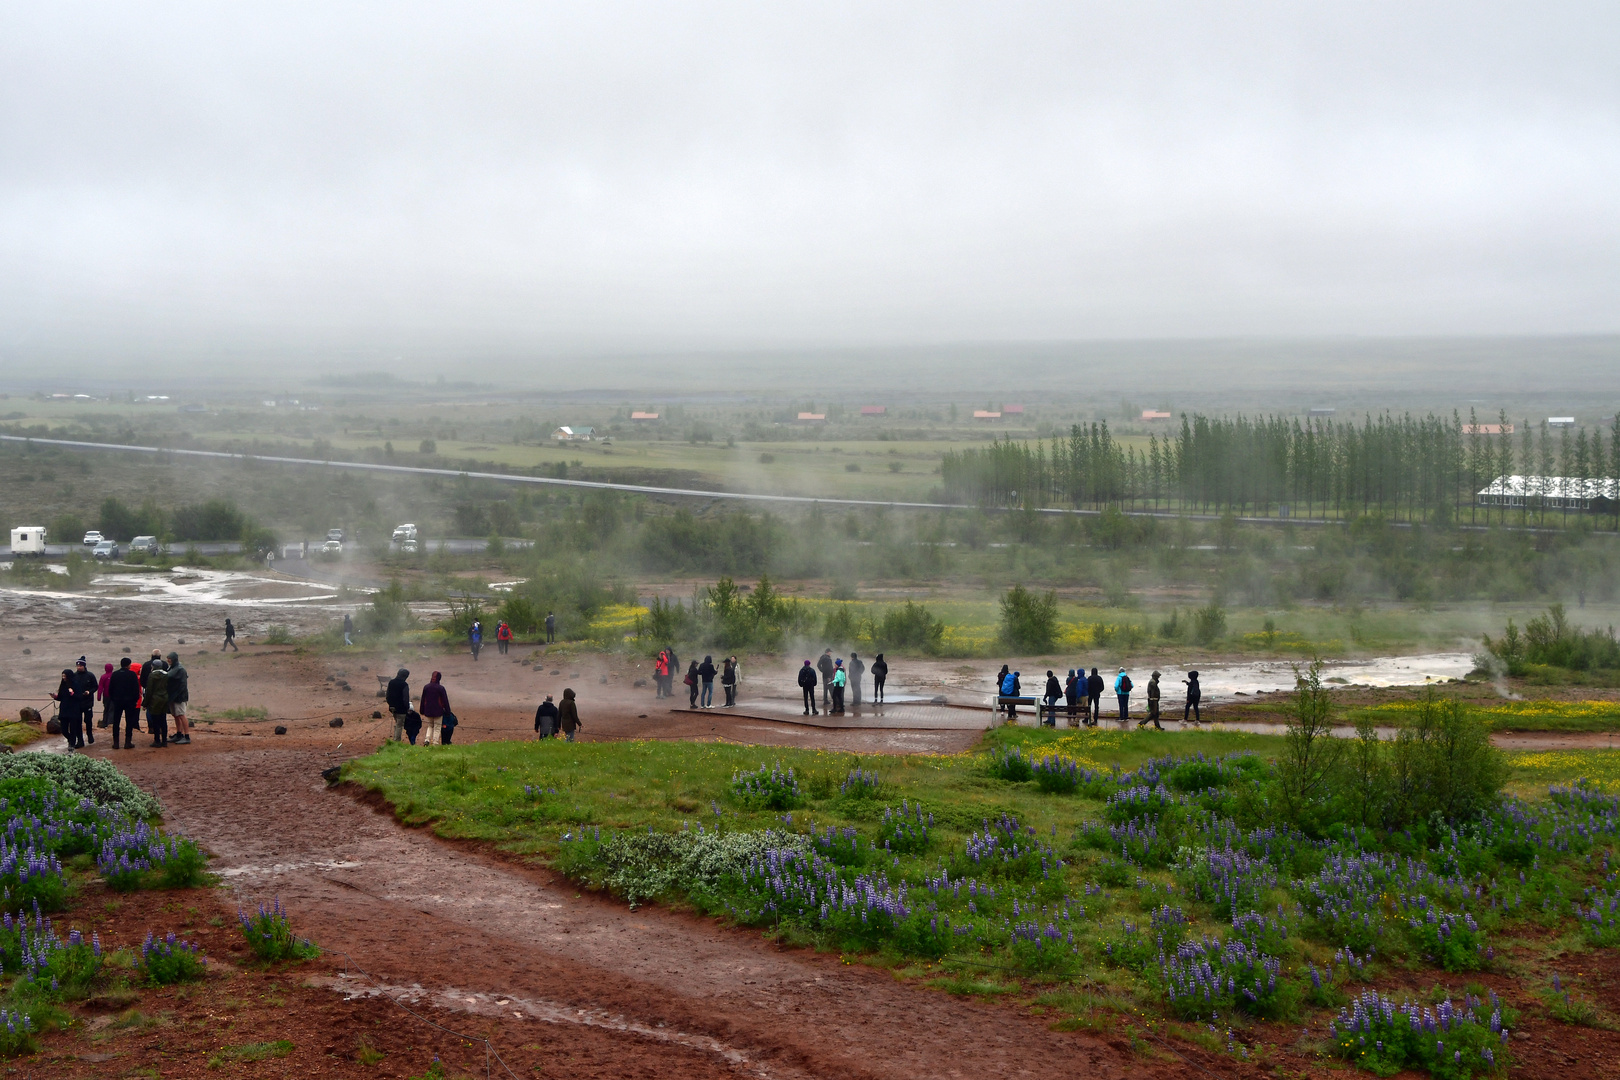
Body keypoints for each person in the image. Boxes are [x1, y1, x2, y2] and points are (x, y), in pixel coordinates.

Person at [108, 657, 142, 749]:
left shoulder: (115, 674)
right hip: (130, 702)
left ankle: (116, 743)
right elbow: (136, 689)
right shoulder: (132, 675)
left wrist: (113, 699)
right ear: (128, 665)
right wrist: (135, 700)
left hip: (117, 701)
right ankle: (128, 742)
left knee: (116, 722)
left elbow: (110, 688)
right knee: (129, 722)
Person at [165, 652, 191, 744]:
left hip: (179, 696)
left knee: (181, 715)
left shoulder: (180, 669)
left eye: (170, 658)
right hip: (173, 696)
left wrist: (178, 695)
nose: (168, 660)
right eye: (168, 658)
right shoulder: (172, 667)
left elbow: (183, 685)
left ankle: (187, 736)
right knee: (176, 715)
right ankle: (179, 733)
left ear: (174, 659)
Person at [50, 669, 81, 749]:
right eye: (62, 676)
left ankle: (72, 745)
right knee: (64, 730)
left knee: (73, 729)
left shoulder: (76, 685)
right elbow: (61, 697)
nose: (63, 678)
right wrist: (55, 697)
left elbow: (79, 697)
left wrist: (72, 694)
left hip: (73, 710)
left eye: (65, 676)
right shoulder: (63, 685)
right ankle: (70, 740)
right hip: (64, 710)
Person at [71, 657, 98, 745]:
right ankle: (80, 740)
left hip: (88, 702)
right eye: (77, 665)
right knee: (78, 721)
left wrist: (89, 692)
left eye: (81, 665)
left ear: (84, 666)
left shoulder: (90, 675)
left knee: (88, 720)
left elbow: (95, 686)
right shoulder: (74, 676)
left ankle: (90, 735)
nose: (79, 667)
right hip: (77, 702)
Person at [145, 659, 170, 747]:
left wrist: (145, 703)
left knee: (155, 720)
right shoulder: (166, 675)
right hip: (165, 698)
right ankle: (164, 740)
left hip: (155, 700)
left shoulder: (152, 676)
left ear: (153, 666)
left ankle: (157, 740)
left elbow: (149, 691)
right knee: (163, 719)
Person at [419, 671, 449, 745]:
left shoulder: (426, 687)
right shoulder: (441, 688)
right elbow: (445, 701)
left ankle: (427, 740)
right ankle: (435, 742)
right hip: (438, 710)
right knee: (437, 727)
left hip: (428, 710)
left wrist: (422, 710)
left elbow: (423, 699)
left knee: (430, 726)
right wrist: (448, 711)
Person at [386, 668, 412, 741]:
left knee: (397, 723)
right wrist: (407, 707)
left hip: (392, 707)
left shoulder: (391, 682)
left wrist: (390, 704)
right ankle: (396, 741)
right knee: (399, 725)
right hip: (401, 709)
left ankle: (395, 739)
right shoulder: (404, 684)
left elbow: (387, 695)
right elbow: (405, 698)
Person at [97, 662, 114, 729]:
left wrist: (99, 697)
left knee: (106, 709)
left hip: (105, 696)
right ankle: (110, 724)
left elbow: (100, 687)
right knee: (111, 710)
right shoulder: (114, 675)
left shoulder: (103, 677)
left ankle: (105, 722)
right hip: (113, 696)